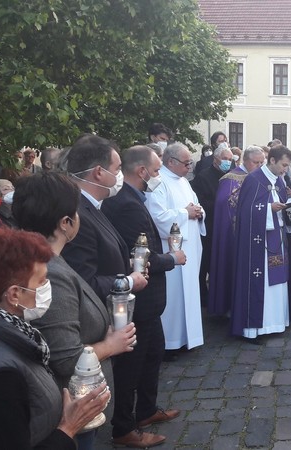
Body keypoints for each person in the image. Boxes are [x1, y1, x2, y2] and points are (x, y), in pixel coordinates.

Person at [12, 172, 141, 449]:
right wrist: (110, 345)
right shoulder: (50, 273)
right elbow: (65, 357)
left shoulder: (49, 261)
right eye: (77, 212)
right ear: (66, 223)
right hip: (70, 406)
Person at [0, 227, 110, 449]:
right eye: (42, 281)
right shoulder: (0, 374)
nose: (47, 288)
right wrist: (68, 427)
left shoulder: (0, 330)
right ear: (14, 294)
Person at [102, 146, 186, 445]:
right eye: (156, 169)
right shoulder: (127, 204)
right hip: (140, 298)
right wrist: (173, 258)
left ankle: (146, 409)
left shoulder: (133, 198)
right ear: (142, 172)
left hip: (149, 301)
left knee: (153, 355)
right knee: (132, 365)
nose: (158, 175)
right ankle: (124, 425)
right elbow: (142, 256)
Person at [61, 134, 148, 303]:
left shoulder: (92, 204)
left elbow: (99, 256)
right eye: (117, 169)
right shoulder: (77, 214)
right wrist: (129, 281)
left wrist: (128, 264)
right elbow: (84, 282)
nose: (120, 175)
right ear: (99, 172)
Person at [231, 146, 291, 341]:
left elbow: (282, 203)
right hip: (258, 243)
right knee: (263, 282)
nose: (285, 169)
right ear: (272, 161)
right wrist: (269, 208)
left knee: (278, 281)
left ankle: (276, 322)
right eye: (283, 165)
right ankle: (257, 328)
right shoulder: (254, 179)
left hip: (276, 237)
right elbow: (245, 211)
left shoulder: (278, 180)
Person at [145, 143, 205, 351]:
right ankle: (171, 342)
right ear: (171, 162)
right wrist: (185, 213)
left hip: (191, 244)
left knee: (188, 292)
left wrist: (198, 212)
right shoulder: (158, 183)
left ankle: (189, 337)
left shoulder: (183, 181)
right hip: (171, 247)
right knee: (174, 296)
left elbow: (194, 204)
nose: (189, 167)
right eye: (186, 163)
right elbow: (157, 217)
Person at [208, 146, 265, 316]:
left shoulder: (259, 177)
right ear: (245, 161)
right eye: (256, 162)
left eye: (262, 162)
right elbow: (224, 204)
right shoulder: (230, 179)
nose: (260, 166)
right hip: (233, 233)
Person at [191, 144, 233, 307]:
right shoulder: (203, 177)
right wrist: (221, 204)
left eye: (230, 159)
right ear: (215, 160)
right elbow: (200, 201)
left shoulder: (232, 176)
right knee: (205, 263)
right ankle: (203, 296)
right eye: (224, 159)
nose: (227, 162)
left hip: (227, 227)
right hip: (209, 226)